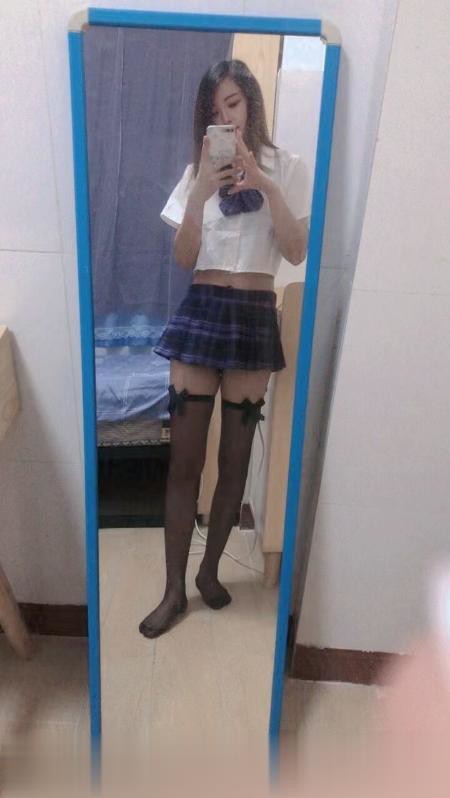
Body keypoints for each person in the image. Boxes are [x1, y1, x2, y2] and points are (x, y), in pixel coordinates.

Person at [139, 59, 310, 638]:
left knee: (236, 460)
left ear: (252, 104)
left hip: (255, 316)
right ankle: (173, 591)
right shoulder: (197, 173)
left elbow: (295, 251)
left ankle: (209, 572)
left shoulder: (288, 168)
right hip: (203, 310)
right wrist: (199, 195)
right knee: (184, 460)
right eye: (215, 111)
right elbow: (184, 258)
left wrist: (264, 184)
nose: (226, 117)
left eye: (233, 104)